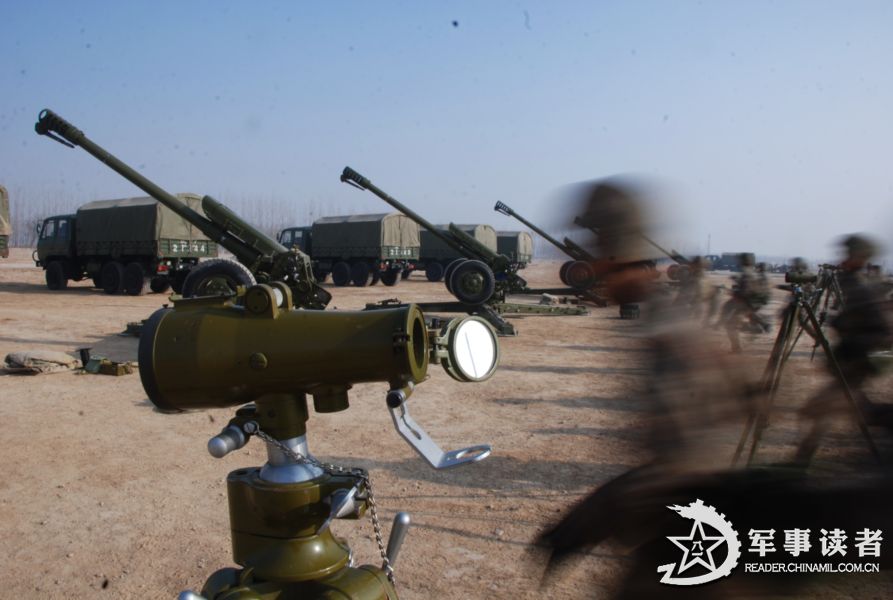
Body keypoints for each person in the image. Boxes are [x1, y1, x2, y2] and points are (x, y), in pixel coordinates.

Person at [794, 234, 893, 463]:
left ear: (861, 258)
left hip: (857, 362)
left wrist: (840, 324)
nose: (844, 259)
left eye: (849, 255)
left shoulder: (861, 288)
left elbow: (877, 330)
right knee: (825, 410)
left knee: (825, 410)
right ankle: (801, 460)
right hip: (854, 361)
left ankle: (801, 461)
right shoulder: (854, 283)